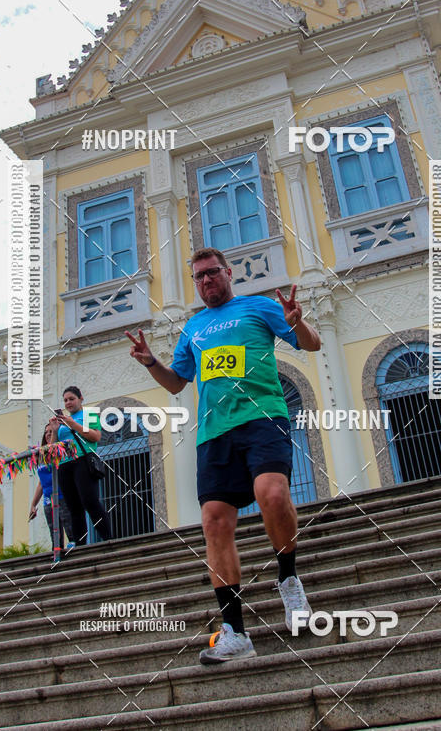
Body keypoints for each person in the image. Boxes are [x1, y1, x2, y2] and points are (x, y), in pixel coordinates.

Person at [125, 247, 322, 664]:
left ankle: (289, 581)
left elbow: (313, 343)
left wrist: (297, 322)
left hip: (263, 417)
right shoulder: (193, 327)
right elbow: (177, 382)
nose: (205, 281)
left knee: (272, 494)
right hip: (214, 432)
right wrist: (150, 363)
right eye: (198, 277)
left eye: (211, 273)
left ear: (228, 272)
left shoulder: (259, 307)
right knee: (214, 522)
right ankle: (235, 632)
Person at [51, 385, 112, 546]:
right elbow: (51, 448)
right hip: (64, 464)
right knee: (74, 507)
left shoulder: (89, 414)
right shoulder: (62, 423)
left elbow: (95, 436)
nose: (68, 403)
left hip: (83, 460)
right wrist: (55, 430)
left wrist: (73, 424)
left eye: (72, 399)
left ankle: (108, 538)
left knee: (90, 501)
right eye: (65, 400)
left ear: (81, 399)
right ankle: (80, 544)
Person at [29, 420, 75, 552]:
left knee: (69, 526)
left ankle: (74, 550)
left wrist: (56, 431)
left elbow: (52, 450)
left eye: (51, 431)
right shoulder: (41, 456)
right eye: (46, 432)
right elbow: (41, 483)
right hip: (48, 499)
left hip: (62, 495)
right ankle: (57, 554)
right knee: (54, 532)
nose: (48, 434)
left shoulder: (60, 450)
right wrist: (33, 504)